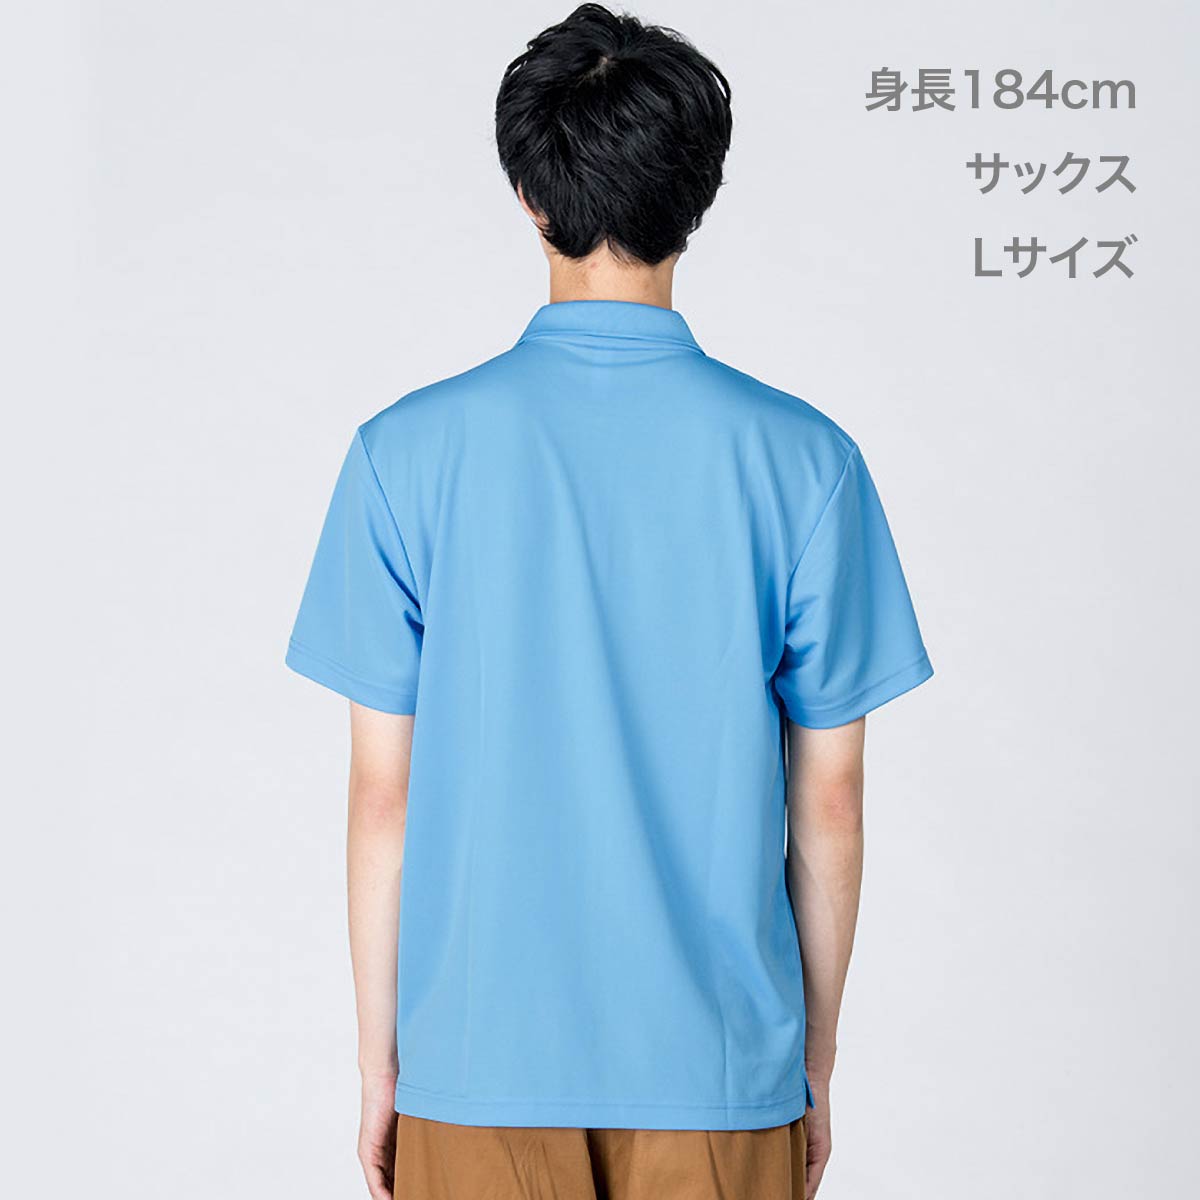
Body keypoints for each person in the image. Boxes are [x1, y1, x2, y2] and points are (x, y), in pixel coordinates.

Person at [285, 5, 933, 1198]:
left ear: (529, 197)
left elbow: (385, 796)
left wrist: (381, 1063)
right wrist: (814, 1058)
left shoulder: (404, 454)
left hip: (475, 1068)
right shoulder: (806, 462)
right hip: (719, 1072)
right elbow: (829, 799)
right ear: (697, 198)